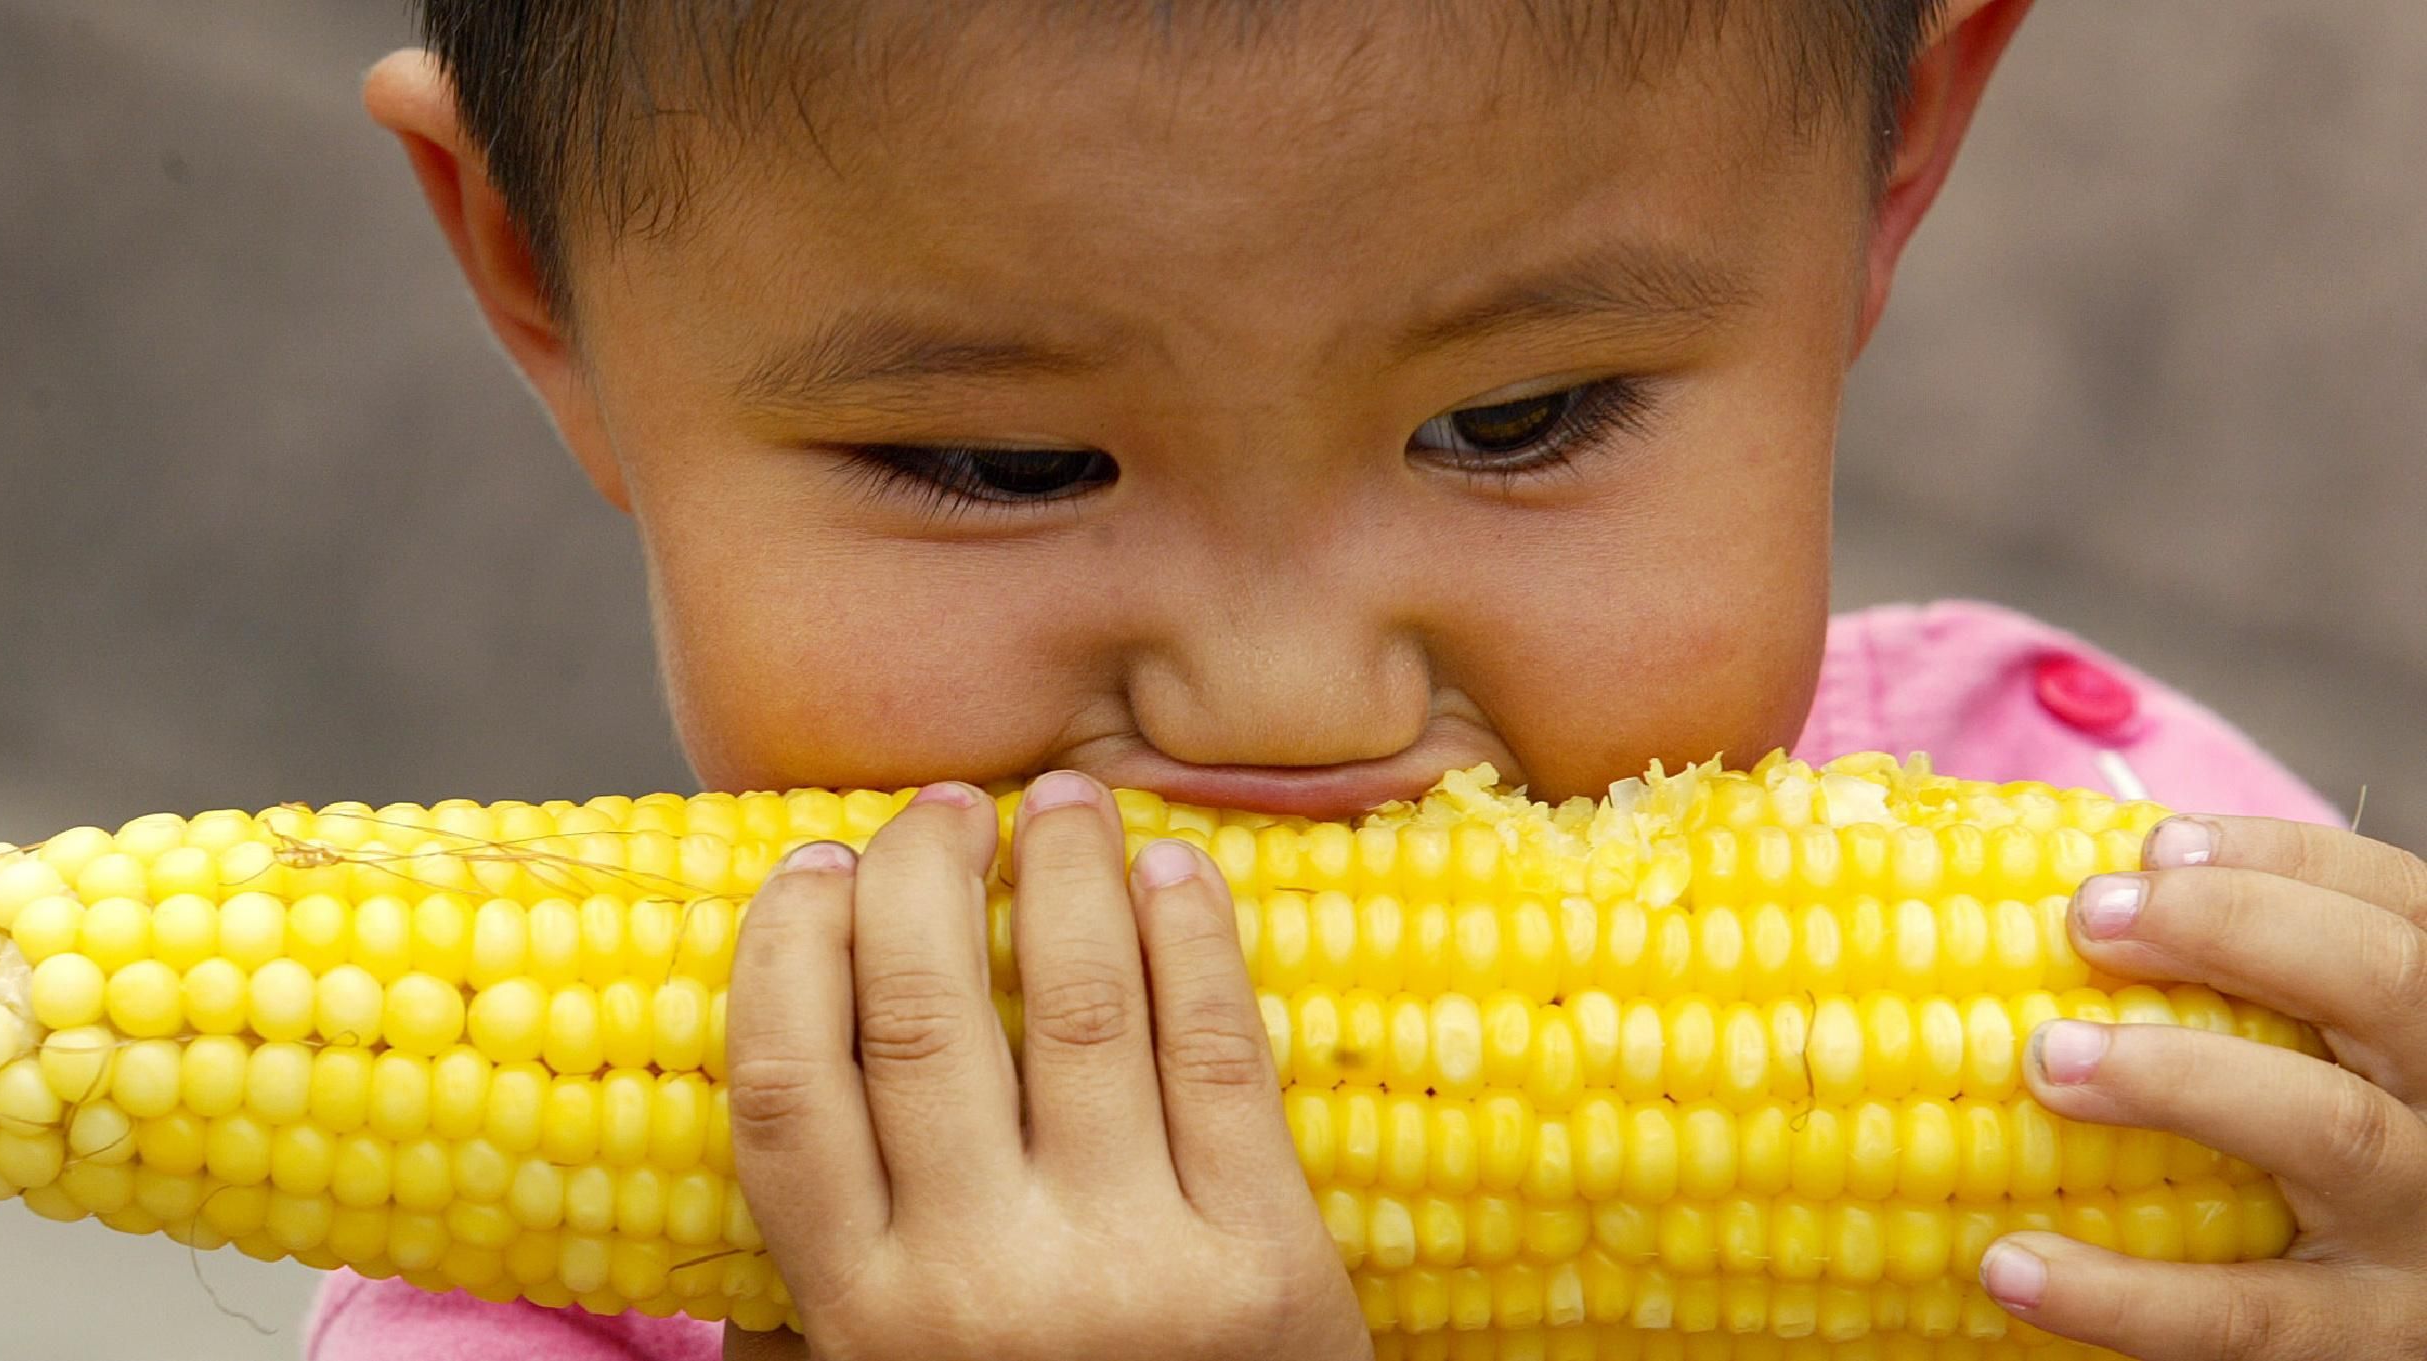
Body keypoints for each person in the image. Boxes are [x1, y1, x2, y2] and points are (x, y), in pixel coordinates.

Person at [319, 1, 2427, 1356]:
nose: (1283, 701)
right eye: (1007, 463)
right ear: (544, 285)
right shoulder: (544, 1296)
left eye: (1516, 425)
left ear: (1890, 167)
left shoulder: (2159, 956)